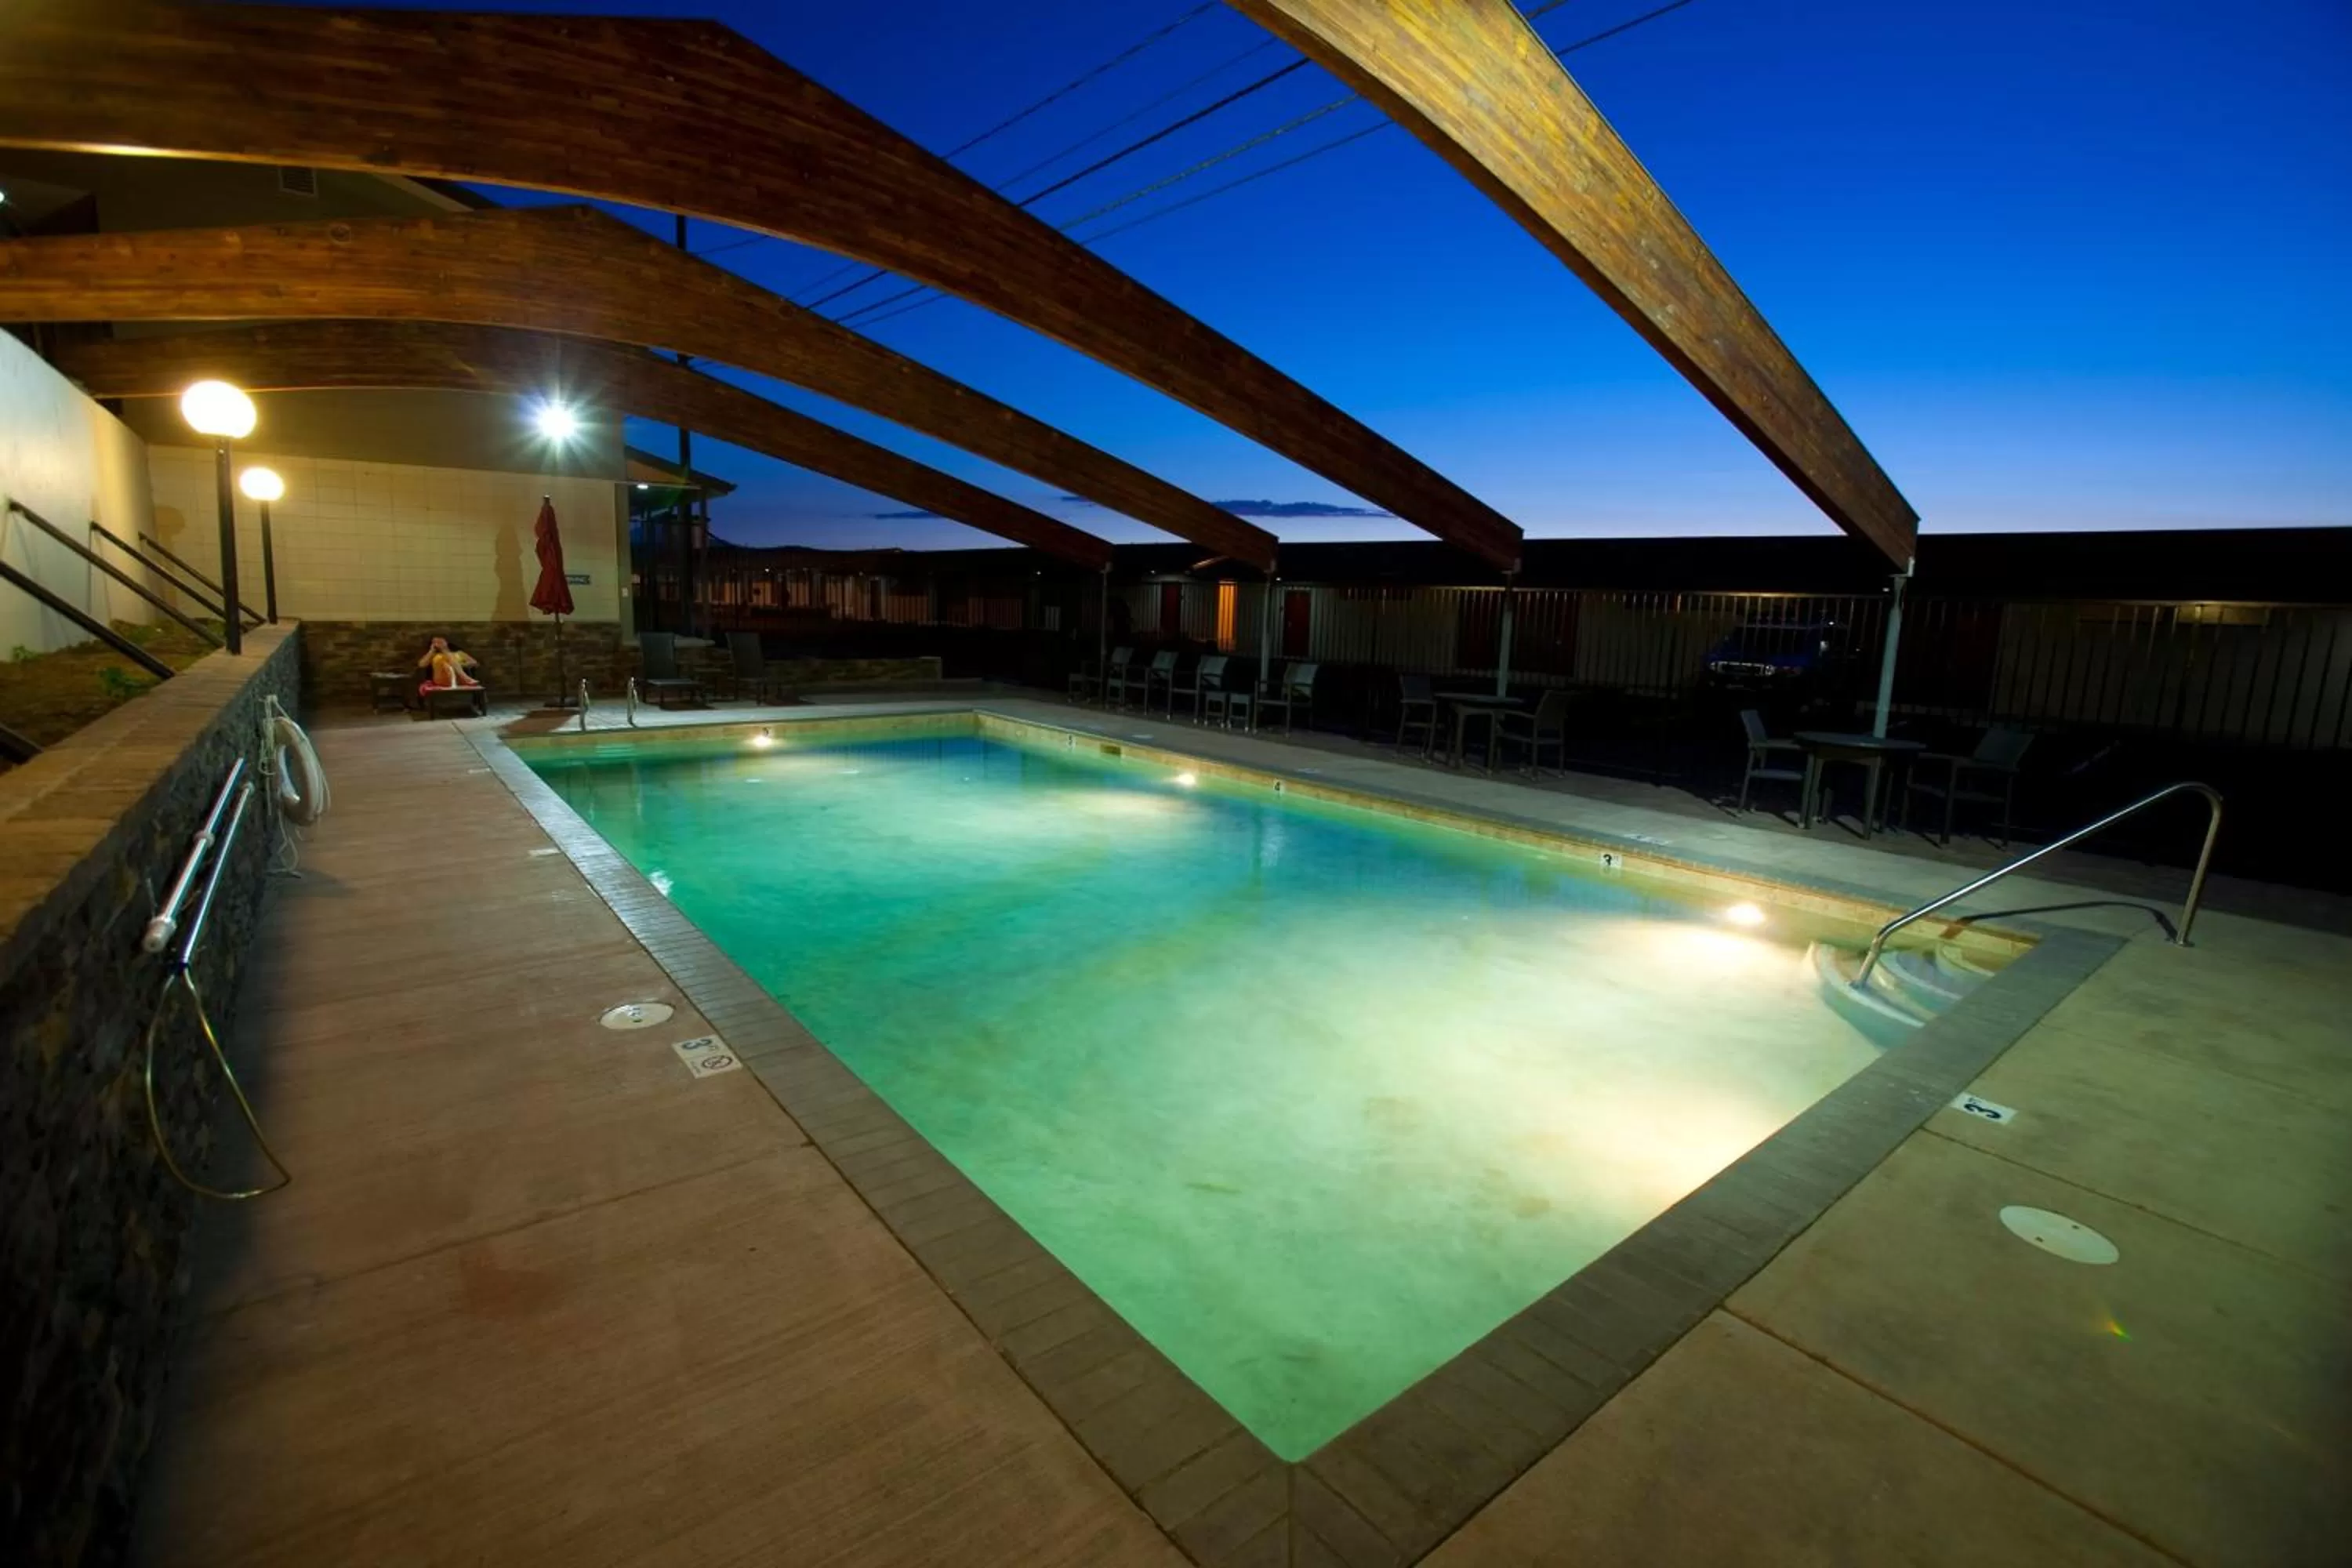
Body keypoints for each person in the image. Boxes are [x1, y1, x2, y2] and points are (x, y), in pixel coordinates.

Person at [416, 634, 481, 697]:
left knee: (448, 659)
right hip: (441, 680)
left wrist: (459, 665)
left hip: (458, 680)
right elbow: (421, 665)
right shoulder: (433, 655)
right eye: (435, 642)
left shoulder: (459, 653)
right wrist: (431, 651)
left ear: (446, 642)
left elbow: (475, 663)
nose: (438, 644)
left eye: (440, 642)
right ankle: (465, 678)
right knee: (443, 660)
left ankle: (463, 677)